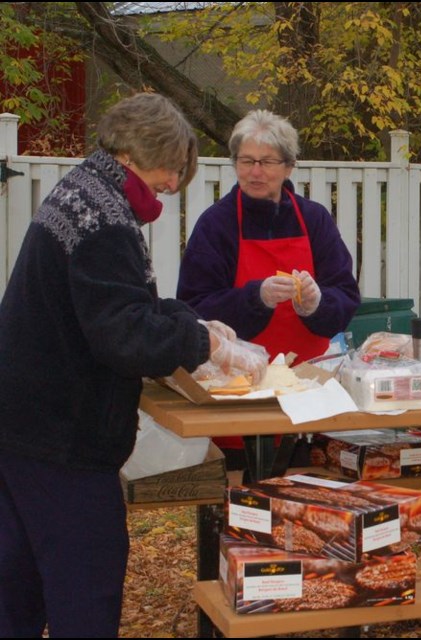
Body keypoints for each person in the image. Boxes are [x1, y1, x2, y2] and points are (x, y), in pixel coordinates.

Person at [0, 93, 267, 638]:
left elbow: (119, 303)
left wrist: (192, 320)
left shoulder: (84, 191)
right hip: (62, 436)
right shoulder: (104, 219)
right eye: (173, 169)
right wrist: (204, 344)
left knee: (18, 582)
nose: (172, 184)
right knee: (86, 583)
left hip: (21, 422)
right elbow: (124, 336)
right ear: (142, 154)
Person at [177, 109, 361, 470]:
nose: (255, 172)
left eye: (266, 162)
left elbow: (346, 296)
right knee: (239, 502)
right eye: (246, 161)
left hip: (308, 391)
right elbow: (194, 307)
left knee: (299, 494)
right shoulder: (216, 225)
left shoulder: (315, 219)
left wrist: (317, 304)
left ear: (289, 167)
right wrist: (254, 297)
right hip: (239, 391)